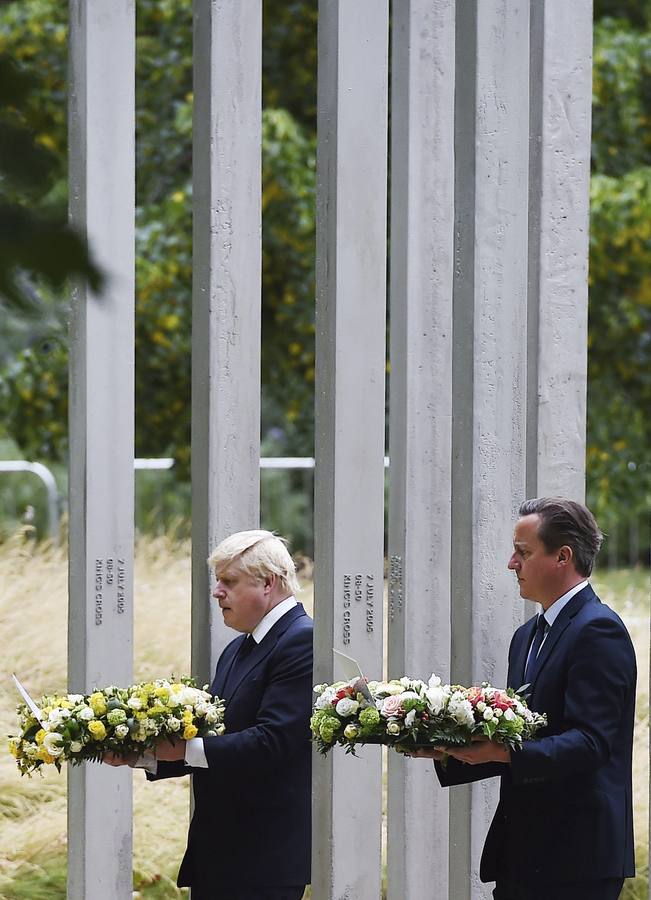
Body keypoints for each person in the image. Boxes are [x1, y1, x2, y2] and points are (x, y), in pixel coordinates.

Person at [411, 497, 636, 900]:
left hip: (577, 859)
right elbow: (524, 733)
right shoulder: (526, 636)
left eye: (523, 552)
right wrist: (445, 746)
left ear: (562, 557)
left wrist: (504, 754)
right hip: (523, 853)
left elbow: (592, 743)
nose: (511, 564)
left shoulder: (599, 631)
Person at [106, 530, 313, 900]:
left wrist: (183, 750)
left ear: (268, 583)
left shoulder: (301, 639)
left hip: (264, 859)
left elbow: (275, 741)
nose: (217, 592)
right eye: (219, 581)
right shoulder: (237, 649)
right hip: (222, 854)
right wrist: (141, 755)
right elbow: (215, 740)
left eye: (229, 582)